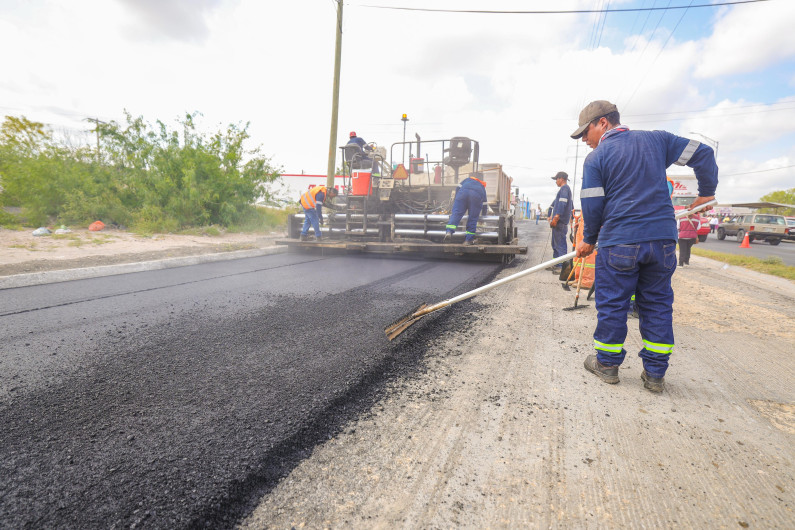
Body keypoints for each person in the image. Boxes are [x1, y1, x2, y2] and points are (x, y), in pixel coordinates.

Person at [572, 100, 717, 393]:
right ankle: (655, 374)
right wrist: (707, 193)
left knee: (613, 302)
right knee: (657, 304)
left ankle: (607, 364)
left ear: (602, 123)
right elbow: (703, 152)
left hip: (620, 242)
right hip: (662, 243)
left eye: (585, 133)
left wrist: (588, 240)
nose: (585, 141)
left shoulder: (597, 158)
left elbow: (592, 204)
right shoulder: (658, 140)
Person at [443, 173, 488, 245]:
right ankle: (468, 240)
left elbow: (458, 188)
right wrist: (484, 215)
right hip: (476, 196)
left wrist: (457, 198)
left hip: (462, 193)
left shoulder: (467, 180)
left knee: (456, 214)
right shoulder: (481, 186)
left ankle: (449, 232)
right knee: (472, 218)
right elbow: (485, 204)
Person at [549, 171, 573, 271]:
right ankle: (556, 264)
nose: (556, 182)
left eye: (556, 179)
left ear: (561, 179)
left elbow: (563, 204)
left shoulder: (564, 189)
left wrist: (556, 217)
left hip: (560, 222)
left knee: (560, 244)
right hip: (558, 223)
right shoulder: (563, 190)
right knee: (555, 244)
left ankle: (561, 267)